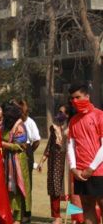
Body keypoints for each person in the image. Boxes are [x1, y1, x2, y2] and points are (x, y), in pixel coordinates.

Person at [67, 83, 103, 224]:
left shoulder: (99, 115)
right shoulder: (73, 121)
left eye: (78, 97)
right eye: (72, 98)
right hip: (80, 173)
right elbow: (70, 145)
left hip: (99, 171)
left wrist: (91, 168)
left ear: (87, 96)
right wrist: (73, 168)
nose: (75, 101)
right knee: (87, 207)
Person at [36, 104, 69, 224]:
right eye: (59, 112)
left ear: (68, 115)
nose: (60, 114)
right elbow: (49, 147)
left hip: (67, 162)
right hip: (54, 163)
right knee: (54, 189)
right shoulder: (54, 128)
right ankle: (57, 216)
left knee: (70, 190)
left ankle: (77, 217)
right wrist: (41, 162)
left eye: (62, 112)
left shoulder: (72, 127)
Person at [1, 101, 31, 224]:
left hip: (17, 161)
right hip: (7, 160)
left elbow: (19, 146)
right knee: (8, 189)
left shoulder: (19, 126)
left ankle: (18, 218)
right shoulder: (5, 125)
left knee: (17, 188)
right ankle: (9, 214)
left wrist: (2, 144)